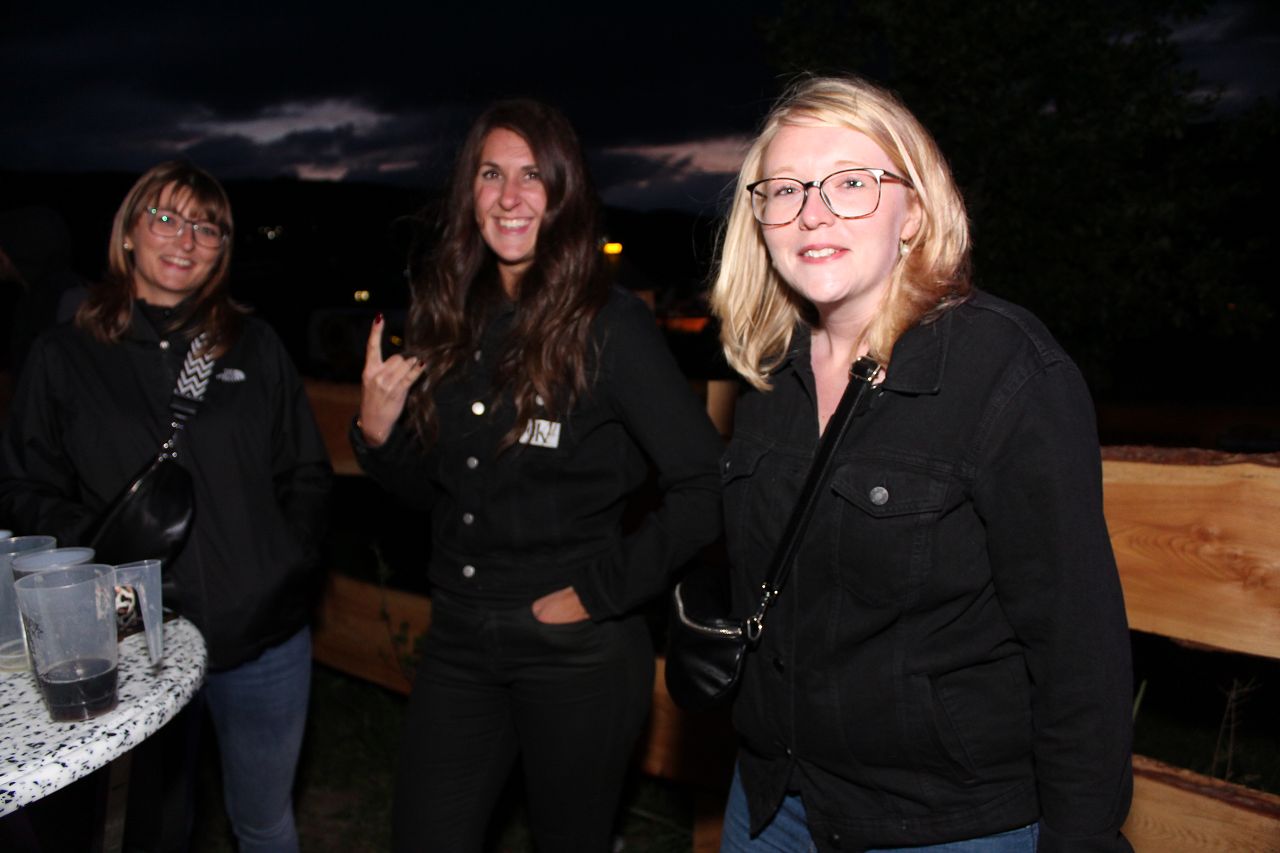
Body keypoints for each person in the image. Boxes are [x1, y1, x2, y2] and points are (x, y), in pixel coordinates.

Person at [710, 76, 1134, 852]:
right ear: (759, 218)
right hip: (772, 798)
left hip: (943, 821)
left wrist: (1083, 835)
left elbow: (1079, 646)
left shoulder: (1004, 369)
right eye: (786, 189)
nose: (812, 213)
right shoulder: (768, 374)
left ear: (913, 212)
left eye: (851, 183)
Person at [352, 99, 723, 852]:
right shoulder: (452, 316)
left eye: (532, 176)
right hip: (459, 636)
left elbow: (708, 485)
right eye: (492, 174)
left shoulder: (608, 324)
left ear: (563, 194)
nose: (510, 197)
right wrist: (378, 435)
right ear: (470, 192)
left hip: (573, 650)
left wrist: (600, 592)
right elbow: (440, 495)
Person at [0, 161, 333, 852]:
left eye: (207, 227)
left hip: (262, 638)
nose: (186, 239)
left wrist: (288, 562)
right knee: (151, 832)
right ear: (128, 233)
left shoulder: (255, 345)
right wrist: (97, 549)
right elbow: (24, 486)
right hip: (136, 644)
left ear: (222, 249)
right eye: (166, 218)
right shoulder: (65, 354)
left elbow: (304, 471)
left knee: (264, 822)